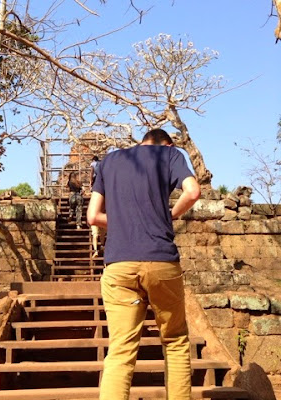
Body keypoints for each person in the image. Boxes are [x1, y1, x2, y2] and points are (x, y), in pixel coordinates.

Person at [87, 128, 200, 400]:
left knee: (120, 351)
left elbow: (93, 216)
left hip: (119, 264)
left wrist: (125, 221)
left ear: (143, 140)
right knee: (175, 341)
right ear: (167, 144)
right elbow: (193, 192)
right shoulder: (169, 155)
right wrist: (169, 215)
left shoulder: (109, 161)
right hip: (161, 260)